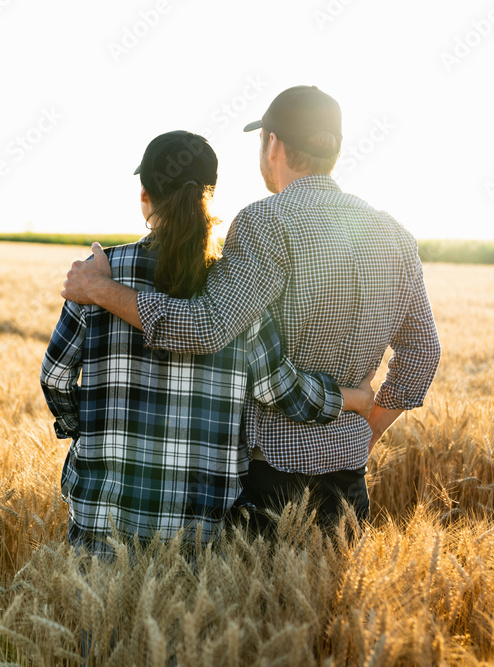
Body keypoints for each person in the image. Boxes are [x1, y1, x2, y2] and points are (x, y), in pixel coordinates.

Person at [62, 86, 440, 526]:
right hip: (349, 479)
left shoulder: (266, 222)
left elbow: (204, 327)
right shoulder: (394, 235)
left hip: (267, 480)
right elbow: (422, 354)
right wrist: (366, 429)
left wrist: (100, 290)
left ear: (273, 144)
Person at [41, 130, 375, 558]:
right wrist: (354, 398)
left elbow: (55, 377)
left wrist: (90, 437)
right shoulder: (237, 288)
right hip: (201, 528)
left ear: (144, 196)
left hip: (103, 511)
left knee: (100, 627)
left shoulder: (99, 275)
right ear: (210, 196)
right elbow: (279, 390)